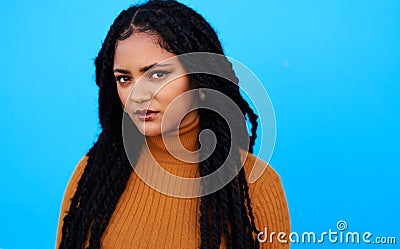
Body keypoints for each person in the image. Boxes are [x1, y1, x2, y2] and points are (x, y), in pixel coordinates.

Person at [55, 0, 290, 248]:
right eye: (124, 78)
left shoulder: (256, 187)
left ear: (199, 77)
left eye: (157, 74)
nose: (138, 94)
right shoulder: (93, 175)